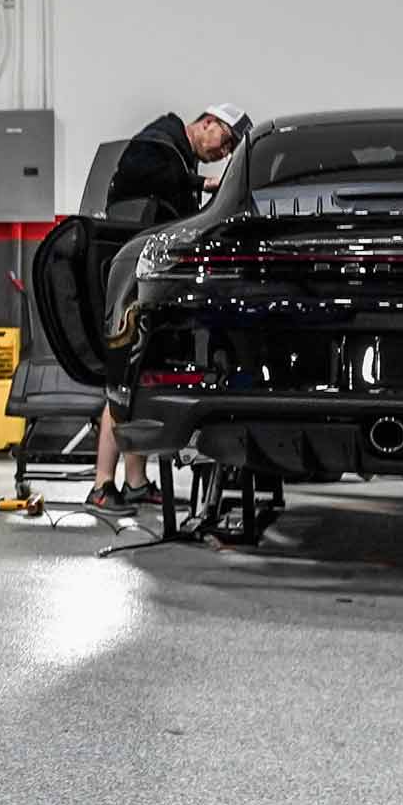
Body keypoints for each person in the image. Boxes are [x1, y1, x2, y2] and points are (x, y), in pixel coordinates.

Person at [86, 103, 251, 514]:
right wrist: (204, 185)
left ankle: (137, 482)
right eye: (225, 140)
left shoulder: (172, 150)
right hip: (131, 290)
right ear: (209, 122)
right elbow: (150, 179)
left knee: (140, 384)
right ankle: (103, 485)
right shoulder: (159, 142)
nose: (224, 151)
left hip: (149, 286)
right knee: (122, 386)